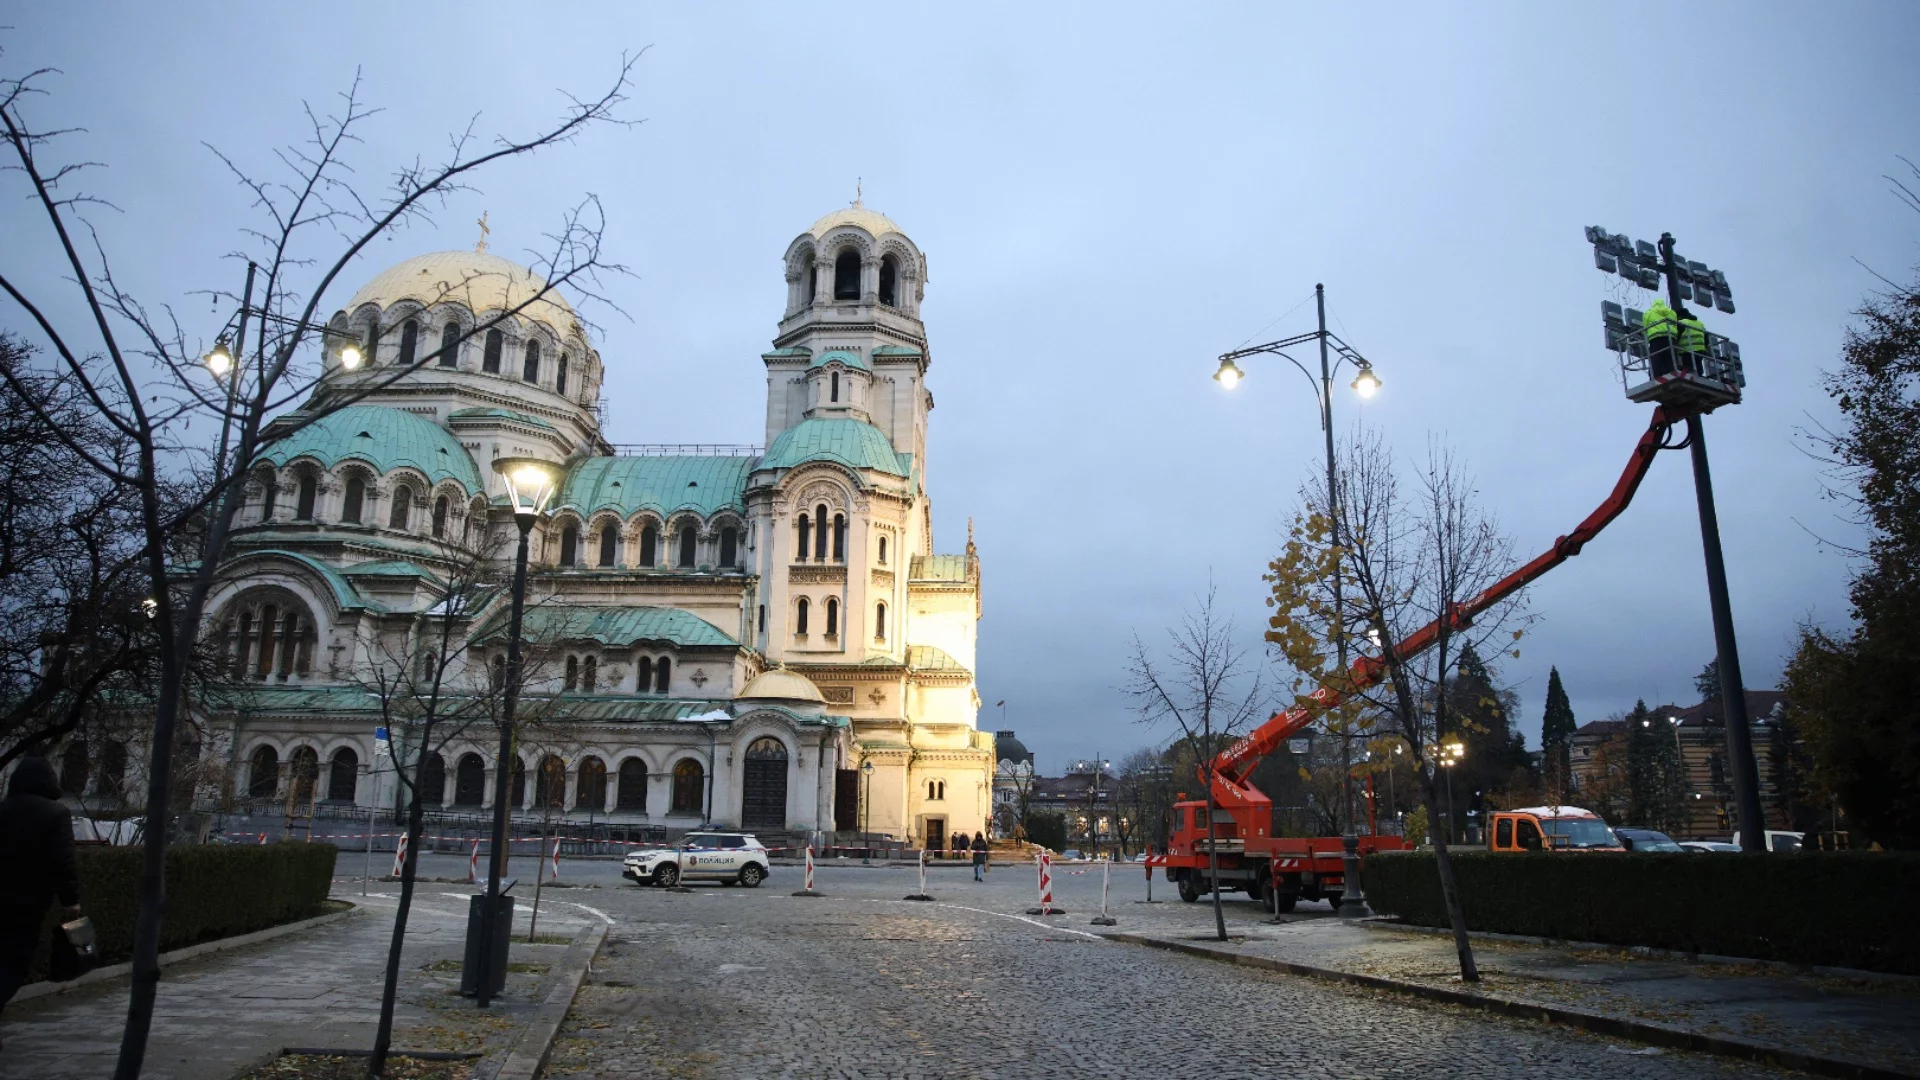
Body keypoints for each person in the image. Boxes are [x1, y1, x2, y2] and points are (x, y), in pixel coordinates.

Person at [0, 756, 82, 1022]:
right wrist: (71, 900)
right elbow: (63, 861)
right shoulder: (55, 813)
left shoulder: (4, 809)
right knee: (15, 962)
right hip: (29, 901)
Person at [1643, 297, 1680, 378]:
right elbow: (1675, 325)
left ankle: (1655, 376)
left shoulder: (1649, 313)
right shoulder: (1672, 313)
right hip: (1670, 337)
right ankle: (1672, 372)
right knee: (1671, 358)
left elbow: (1645, 328)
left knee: (1656, 359)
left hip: (1656, 338)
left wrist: (1646, 337)